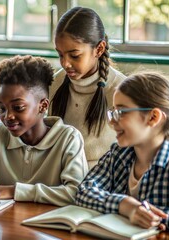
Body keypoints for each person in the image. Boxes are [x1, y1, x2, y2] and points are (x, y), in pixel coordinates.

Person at [0, 55, 88, 206]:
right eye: (2, 109)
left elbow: (76, 193)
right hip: (3, 224)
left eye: (18, 107)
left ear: (43, 106)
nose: (8, 116)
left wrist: (14, 191)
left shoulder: (68, 139)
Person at [76, 72, 169, 231]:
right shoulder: (117, 155)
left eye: (121, 112)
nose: (112, 122)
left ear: (153, 117)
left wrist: (156, 216)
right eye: (112, 112)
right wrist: (125, 206)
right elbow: (84, 191)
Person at [49, 7, 126, 169]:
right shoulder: (55, 83)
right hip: (57, 179)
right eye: (60, 55)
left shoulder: (122, 91)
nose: (65, 63)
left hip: (101, 183)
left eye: (74, 55)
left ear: (99, 49)